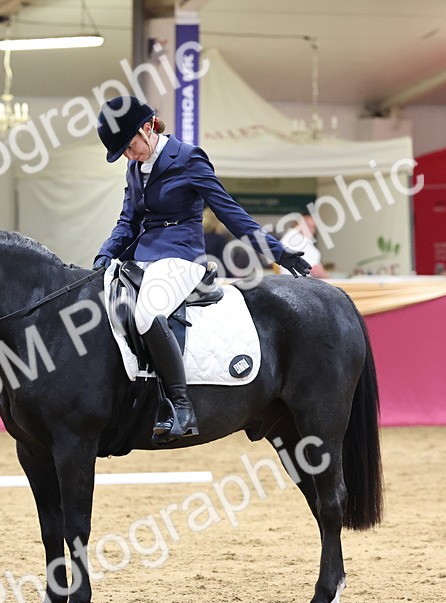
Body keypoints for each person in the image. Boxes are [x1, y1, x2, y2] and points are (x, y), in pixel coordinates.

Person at [93, 96, 312, 444]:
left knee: (148, 312)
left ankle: (181, 406)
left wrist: (278, 252)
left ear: (147, 127)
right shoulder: (135, 167)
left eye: (129, 146)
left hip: (182, 257)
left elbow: (230, 212)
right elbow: (128, 221)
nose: (127, 155)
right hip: (142, 258)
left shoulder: (189, 158)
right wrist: (104, 256)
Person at [278, 209, 327, 278]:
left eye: (312, 227)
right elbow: (316, 271)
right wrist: (331, 281)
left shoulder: (289, 237)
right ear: (297, 225)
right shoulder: (299, 241)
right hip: (302, 284)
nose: (309, 229)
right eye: (307, 225)